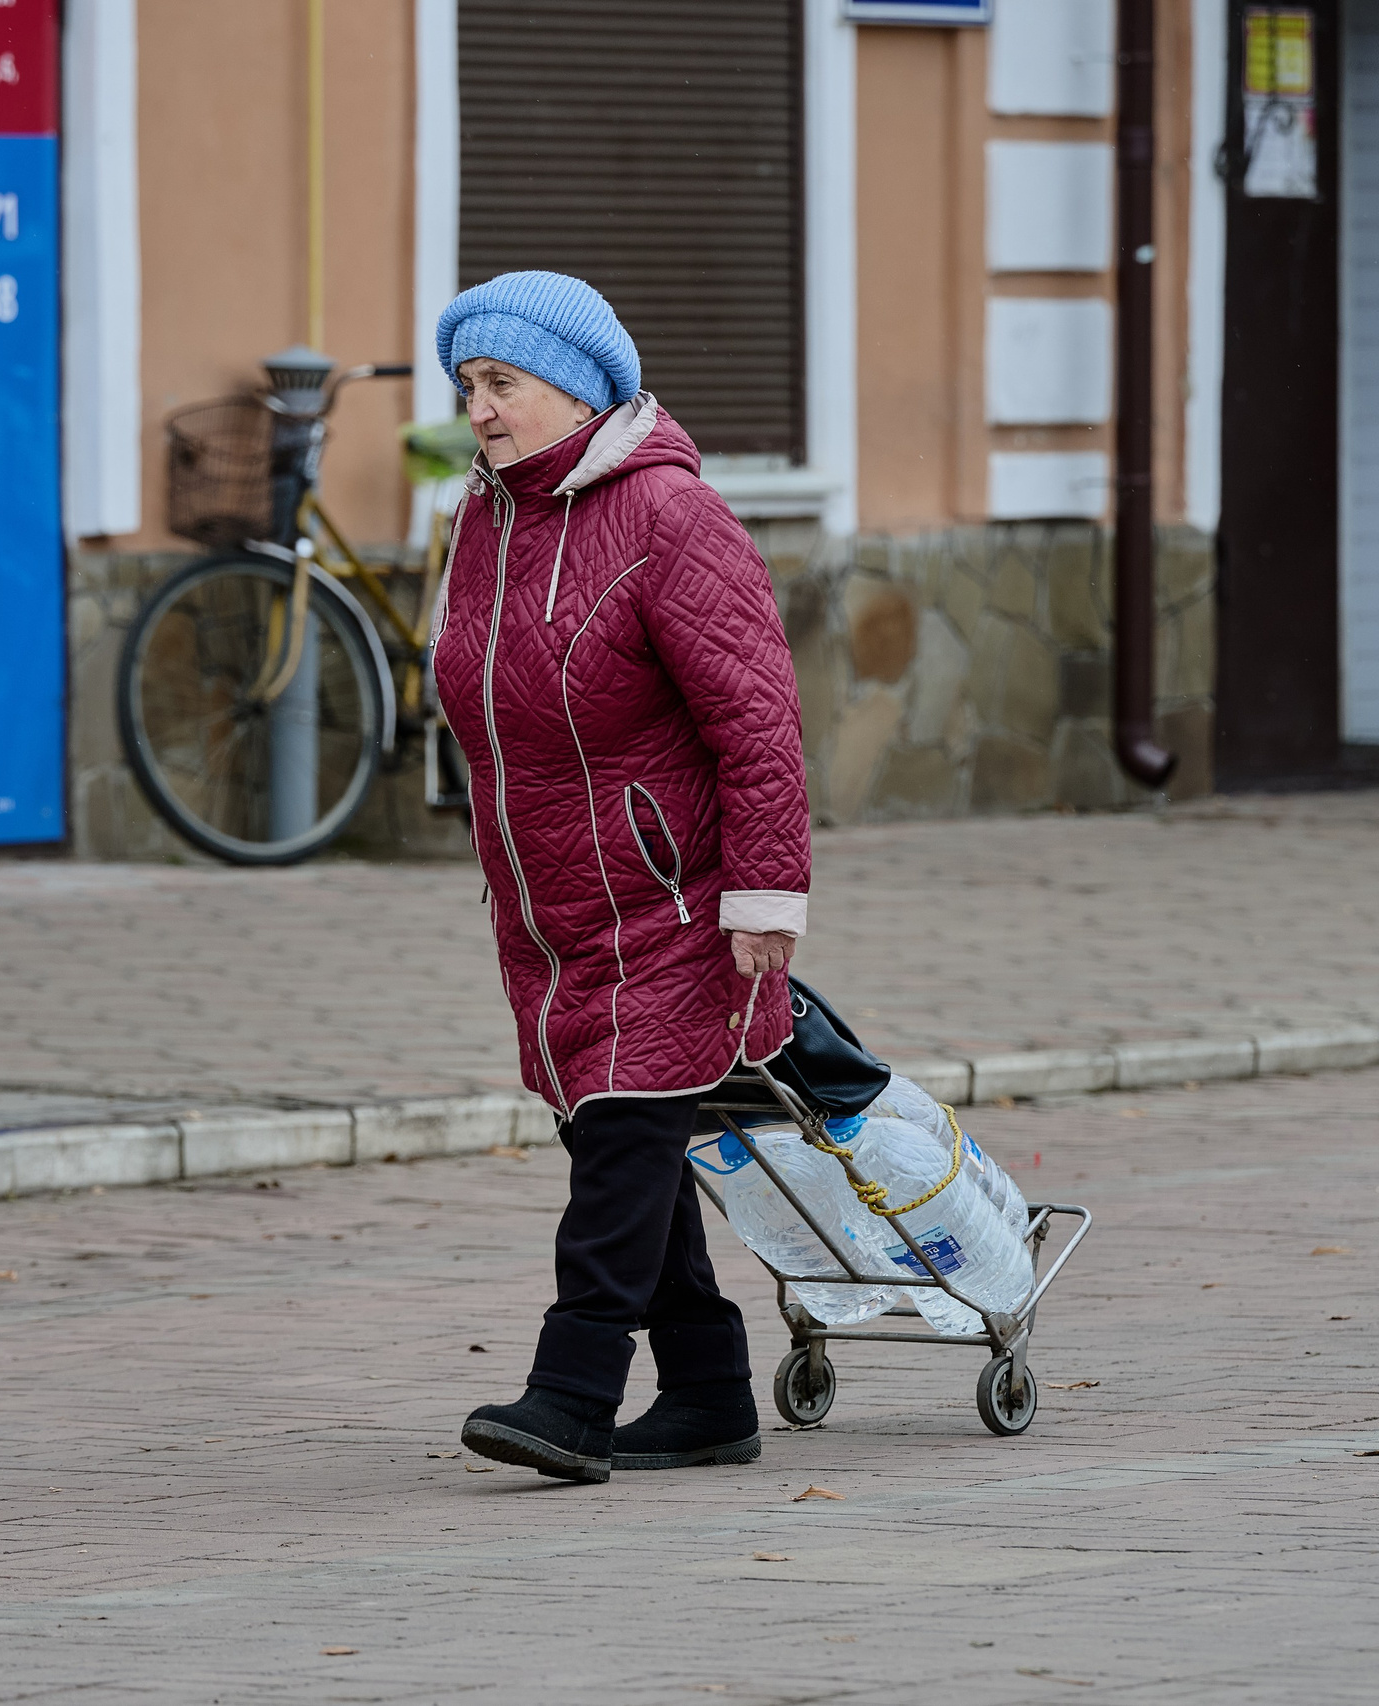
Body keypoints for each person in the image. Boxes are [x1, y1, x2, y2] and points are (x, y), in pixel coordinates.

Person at [430, 270, 810, 1484]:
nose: (479, 409)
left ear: (582, 391)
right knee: (613, 1132)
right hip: (547, 904)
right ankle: (705, 1389)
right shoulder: (485, 513)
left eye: (504, 384)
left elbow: (756, 720)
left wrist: (762, 892)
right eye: (468, 385)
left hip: (672, 895)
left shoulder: (669, 518)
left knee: (620, 1139)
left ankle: (573, 1388)